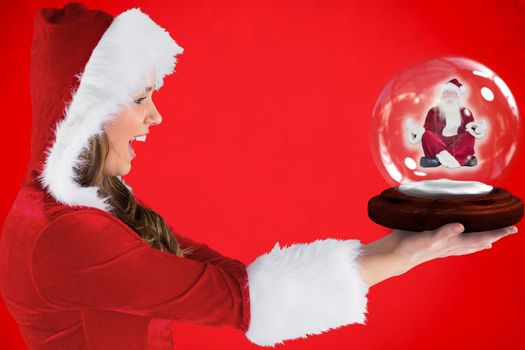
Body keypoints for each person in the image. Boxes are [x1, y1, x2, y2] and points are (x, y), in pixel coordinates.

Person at [0, 3, 517, 349]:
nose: (155, 117)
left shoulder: (79, 215)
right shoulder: (67, 235)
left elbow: (228, 278)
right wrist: (403, 257)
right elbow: (242, 300)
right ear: (84, 116)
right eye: (140, 99)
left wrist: (390, 252)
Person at [406, 78, 488, 168]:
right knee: (427, 135)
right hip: (439, 141)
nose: (449, 95)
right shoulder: (433, 111)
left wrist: (477, 129)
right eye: (446, 92)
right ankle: (458, 157)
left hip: (457, 142)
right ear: (442, 96)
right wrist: (416, 132)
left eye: (452, 92)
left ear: (457, 96)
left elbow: (469, 126)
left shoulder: (465, 112)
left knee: (469, 135)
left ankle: (439, 159)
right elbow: (427, 128)